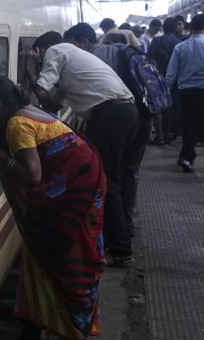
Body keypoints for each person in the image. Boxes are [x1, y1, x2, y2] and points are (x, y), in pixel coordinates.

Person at [0, 75, 106, 339]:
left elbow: (33, 175)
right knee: (56, 257)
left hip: (71, 196)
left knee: (66, 258)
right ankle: (44, 323)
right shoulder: (26, 110)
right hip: (84, 186)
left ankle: (74, 327)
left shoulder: (18, 125)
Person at [25, 31, 137, 266]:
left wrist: (31, 69)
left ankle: (121, 250)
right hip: (125, 112)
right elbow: (51, 103)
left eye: (39, 54)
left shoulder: (57, 50)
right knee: (109, 179)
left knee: (107, 181)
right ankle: (114, 242)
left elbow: (42, 89)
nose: (41, 59)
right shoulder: (73, 61)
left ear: (44, 48)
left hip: (110, 115)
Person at [66, 22, 151, 243]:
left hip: (119, 118)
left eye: (72, 46)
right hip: (143, 115)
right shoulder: (123, 51)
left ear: (84, 43)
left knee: (108, 177)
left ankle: (117, 238)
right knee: (128, 171)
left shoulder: (95, 57)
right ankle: (126, 224)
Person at [166, 14, 204, 173]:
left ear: (190, 27)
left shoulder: (180, 47)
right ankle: (186, 157)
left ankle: (187, 156)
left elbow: (171, 73)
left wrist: (165, 91)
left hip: (185, 91)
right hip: (202, 90)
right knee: (196, 124)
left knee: (188, 123)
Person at [147, 17, 181, 145]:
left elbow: (148, 58)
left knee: (159, 107)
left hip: (158, 77)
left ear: (164, 27)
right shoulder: (179, 42)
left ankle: (160, 136)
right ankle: (168, 134)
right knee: (171, 107)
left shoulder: (157, 40)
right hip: (176, 79)